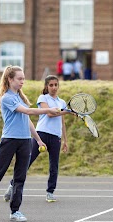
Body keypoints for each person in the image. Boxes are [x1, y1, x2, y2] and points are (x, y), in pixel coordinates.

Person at [0, 66, 60, 222]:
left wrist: (37, 139)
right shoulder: (6, 98)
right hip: (9, 141)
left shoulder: (20, 98)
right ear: (10, 79)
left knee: (20, 177)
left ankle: (15, 211)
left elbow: (26, 120)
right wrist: (49, 110)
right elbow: (28, 112)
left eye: (23, 78)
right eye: (19, 78)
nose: (23, 81)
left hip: (25, 142)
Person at [4, 75, 70, 203]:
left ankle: (50, 192)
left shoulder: (61, 102)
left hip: (56, 137)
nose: (54, 87)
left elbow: (62, 122)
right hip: (41, 134)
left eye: (56, 85)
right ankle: (12, 186)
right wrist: (67, 111)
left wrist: (65, 140)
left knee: (54, 166)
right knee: (27, 162)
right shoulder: (43, 98)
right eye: (51, 85)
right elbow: (50, 114)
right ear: (46, 86)